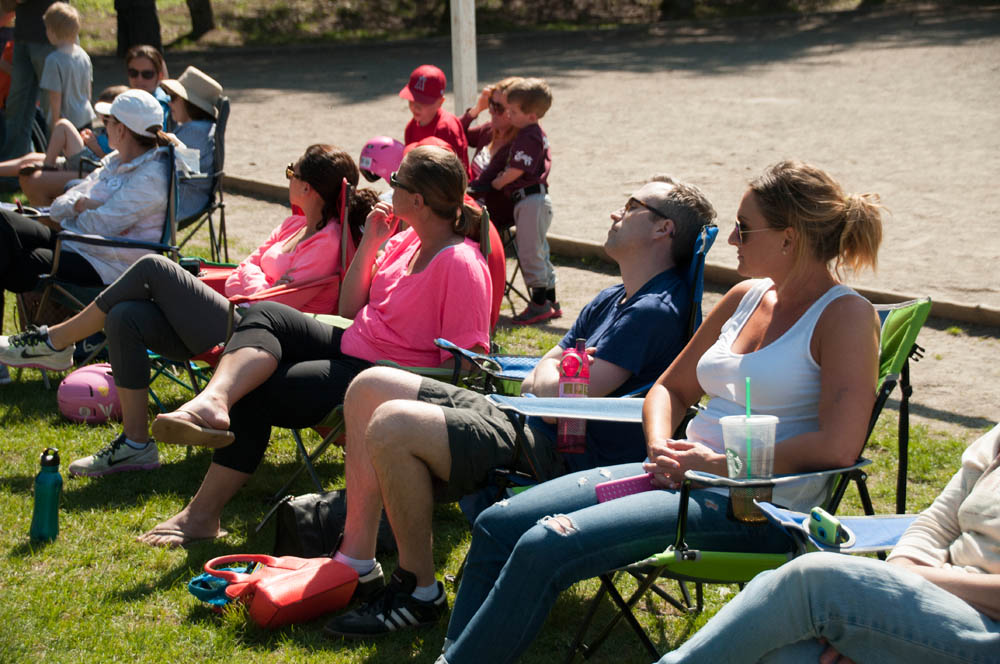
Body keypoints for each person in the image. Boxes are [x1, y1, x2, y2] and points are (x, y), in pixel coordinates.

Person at [433, 160, 885, 664]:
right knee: (499, 521)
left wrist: (713, 465)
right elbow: (668, 390)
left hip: (753, 504)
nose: (732, 239)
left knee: (546, 544)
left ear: (789, 237)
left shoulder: (844, 315)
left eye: (744, 227)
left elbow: (838, 446)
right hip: (677, 473)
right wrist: (660, 446)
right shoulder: (745, 296)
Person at [321, 175, 717, 639]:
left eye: (631, 206)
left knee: (392, 424)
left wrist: (554, 383)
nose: (616, 213)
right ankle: (358, 560)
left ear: (662, 230)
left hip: (568, 456)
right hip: (530, 421)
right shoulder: (612, 298)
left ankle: (417, 592)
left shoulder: (656, 309)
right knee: (370, 387)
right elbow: (546, 378)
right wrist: (555, 382)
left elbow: (570, 396)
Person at [139, 145, 492, 548]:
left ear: (417, 200)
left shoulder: (459, 264)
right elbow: (349, 307)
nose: (385, 188)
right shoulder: (408, 239)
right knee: (265, 313)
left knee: (259, 392)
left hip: (383, 377)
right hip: (353, 342)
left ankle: (201, 516)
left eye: (395, 181)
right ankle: (213, 401)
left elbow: (465, 369)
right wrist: (371, 245)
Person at [0, 144, 377, 476]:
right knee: (126, 315)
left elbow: (271, 305)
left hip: (257, 339)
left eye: (290, 172)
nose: (289, 180)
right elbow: (245, 266)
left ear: (306, 187)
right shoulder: (295, 223)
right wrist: (255, 278)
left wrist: (253, 280)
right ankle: (136, 445)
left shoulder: (325, 244)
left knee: (154, 267)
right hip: (235, 315)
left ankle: (54, 341)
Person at [657, 422, 1000, 664]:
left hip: (985, 634)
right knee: (782, 650)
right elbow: (937, 522)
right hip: (937, 605)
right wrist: (887, 603)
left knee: (813, 580)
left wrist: (905, 586)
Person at [0, 89, 168, 334]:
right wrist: (81, 205)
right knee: (4, 222)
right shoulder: (115, 161)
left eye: (107, 122)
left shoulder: (151, 178)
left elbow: (98, 226)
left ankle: (9, 360)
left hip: (107, 266)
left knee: (11, 257)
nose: (103, 128)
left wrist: (79, 207)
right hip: (75, 242)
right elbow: (60, 207)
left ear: (121, 129)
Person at [16, 44, 171, 203]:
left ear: (159, 75)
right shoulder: (134, 100)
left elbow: (135, 156)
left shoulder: (156, 109)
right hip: (105, 164)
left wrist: (97, 148)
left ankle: (49, 223)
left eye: (147, 74)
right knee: (30, 162)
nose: (139, 79)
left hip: (108, 168)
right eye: (133, 73)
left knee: (35, 179)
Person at [480, 77, 557, 325]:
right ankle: (550, 300)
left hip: (530, 201)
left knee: (529, 252)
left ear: (532, 115)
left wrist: (498, 182)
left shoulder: (528, 135)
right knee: (539, 251)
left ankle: (539, 304)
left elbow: (517, 169)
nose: (509, 116)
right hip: (535, 200)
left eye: (513, 111)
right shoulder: (532, 132)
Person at [0, 84, 122, 186]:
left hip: (92, 165)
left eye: (108, 115)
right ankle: (47, 164)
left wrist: (94, 146)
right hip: (86, 159)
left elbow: (114, 162)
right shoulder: (107, 129)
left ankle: (47, 167)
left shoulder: (123, 133)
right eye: (103, 115)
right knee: (30, 158)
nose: (104, 119)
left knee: (63, 125)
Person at [0, 0, 58, 178]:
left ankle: (57, 170)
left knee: (54, 111)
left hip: (50, 38)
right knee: (16, 108)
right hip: (22, 37)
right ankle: (12, 175)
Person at [156, 65, 222, 220]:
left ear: (190, 103)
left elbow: (179, 168)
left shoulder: (195, 131)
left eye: (173, 98)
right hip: (188, 196)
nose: (169, 104)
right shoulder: (202, 128)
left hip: (183, 199)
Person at [463, 76, 522, 230]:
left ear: (515, 112)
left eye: (498, 107)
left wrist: (453, 198)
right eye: (491, 104)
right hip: (472, 202)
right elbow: (455, 132)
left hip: (492, 211)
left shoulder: (516, 146)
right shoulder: (490, 130)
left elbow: (483, 184)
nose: (490, 111)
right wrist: (477, 109)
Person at [400, 64, 469, 175]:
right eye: (412, 100)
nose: (416, 106)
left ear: (441, 102)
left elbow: (454, 173)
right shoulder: (411, 127)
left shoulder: (446, 128)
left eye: (423, 101)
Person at [39, 3, 94, 136]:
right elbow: (88, 90)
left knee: (65, 156)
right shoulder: (83, 55)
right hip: (86, 116)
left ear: (52, 31)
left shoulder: (54, 60)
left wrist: (55, 125)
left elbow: (55, 95)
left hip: (66, 121)